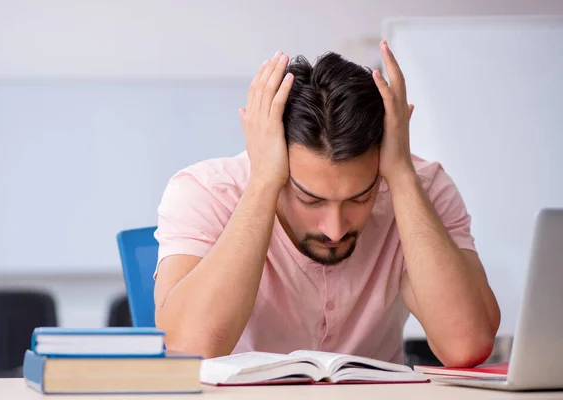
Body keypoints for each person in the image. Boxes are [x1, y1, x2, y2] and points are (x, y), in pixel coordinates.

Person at [153, 41, 501, 367]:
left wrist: (401, 176)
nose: (335, 230)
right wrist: (263, 183)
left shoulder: (420, 188)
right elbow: (190, 350)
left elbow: (465, 345)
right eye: (310, 199)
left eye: (360, 197)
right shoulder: (205, 191)